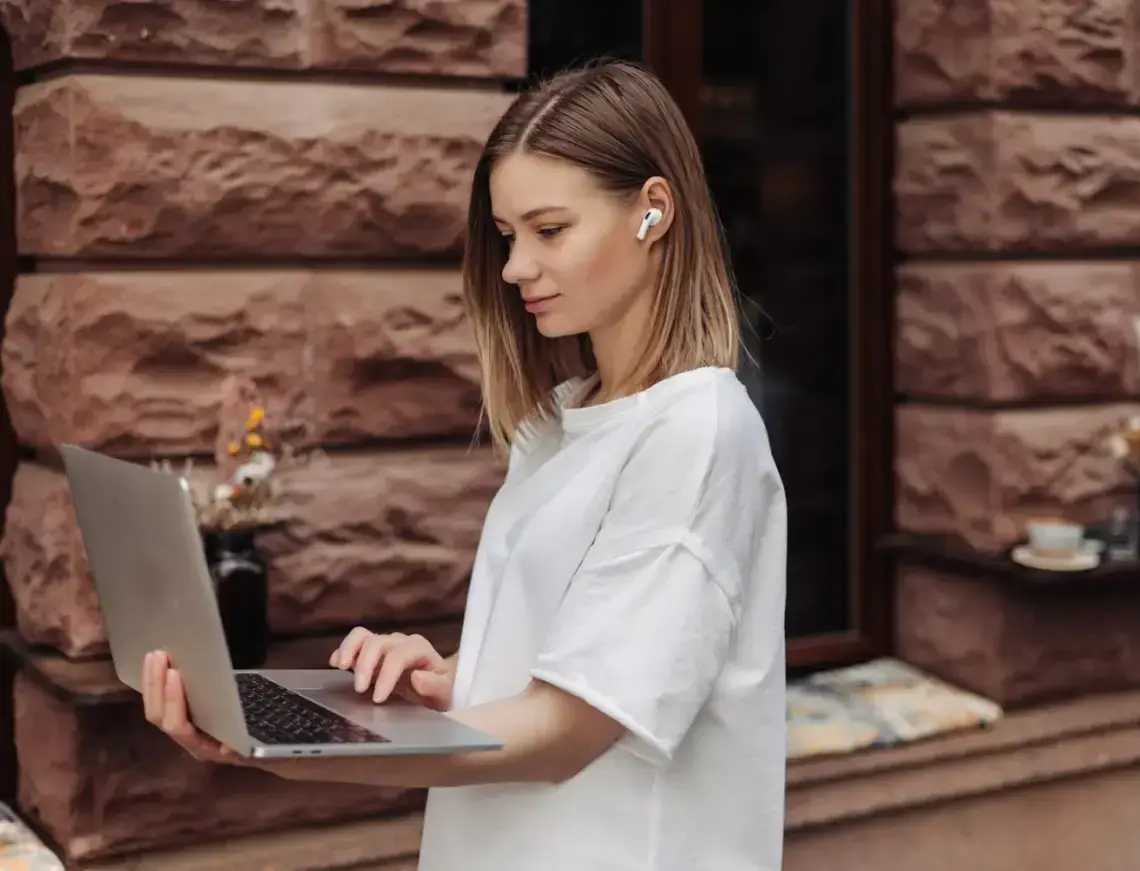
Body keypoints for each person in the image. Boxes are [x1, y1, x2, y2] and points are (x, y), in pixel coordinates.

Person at [141, 59, 788, 871]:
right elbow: (587, 658)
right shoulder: (561, 419)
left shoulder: (697, 429)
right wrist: (449, 677)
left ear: (652, 212)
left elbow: (566, 731)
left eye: (549, 230)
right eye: (509, 235)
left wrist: (283, 745)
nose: (515, 266)